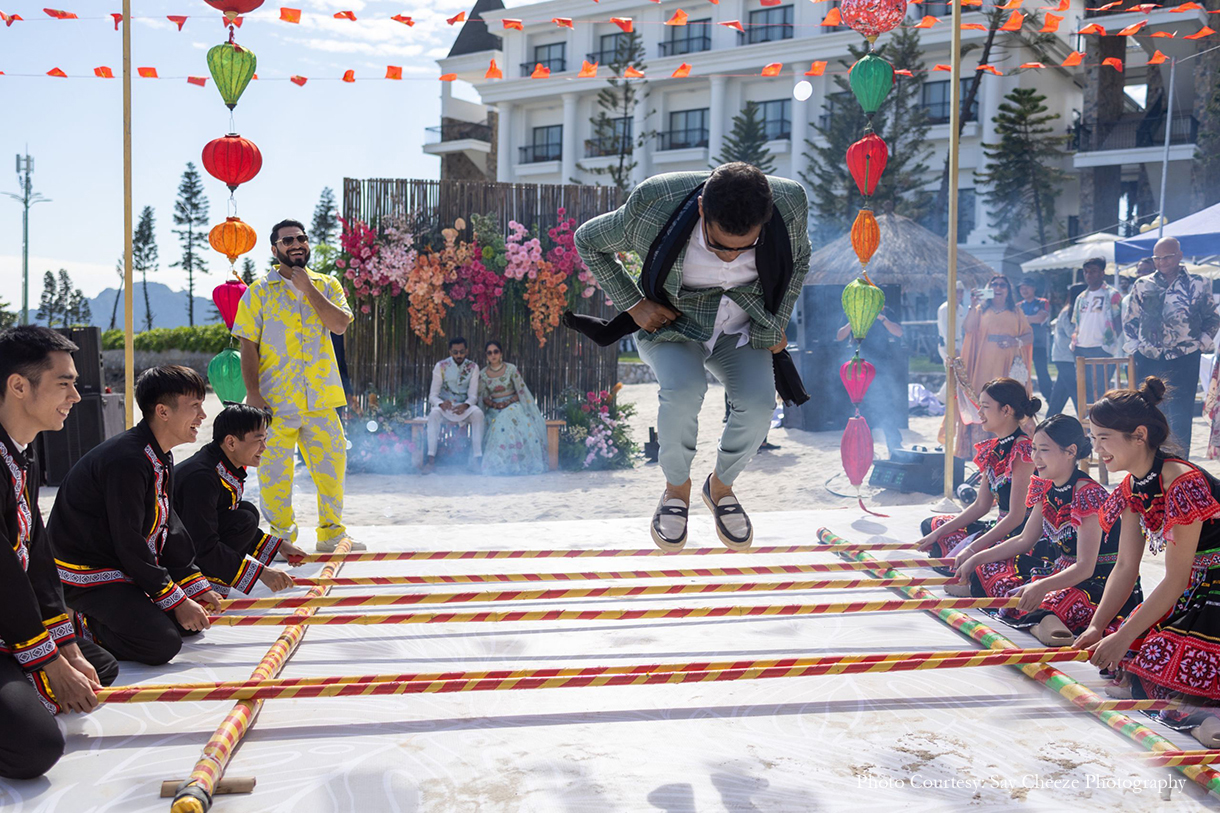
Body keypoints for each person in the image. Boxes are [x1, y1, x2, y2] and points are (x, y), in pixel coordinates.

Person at [574, 163, 810, 551]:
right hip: (670, 323)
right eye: (719, 246)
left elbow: (800, 259)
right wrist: (634, 304)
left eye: (745, 247)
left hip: (740, 325)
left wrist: (776, 320)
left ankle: (720, 487)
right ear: (702, 208)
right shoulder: (656, 201)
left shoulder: (790, 201)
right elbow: (588, 240)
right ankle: (676, 491)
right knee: (684, 391)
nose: (732, 258)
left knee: (759, 403)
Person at [0, 327, 118, 780]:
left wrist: (64, 644)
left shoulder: (19, 455)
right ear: (18, 385)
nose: (76, 395)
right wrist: (45, 659)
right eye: (64, 383)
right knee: (36, 749)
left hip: (8, 617)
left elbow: (36, 555)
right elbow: (1, 572)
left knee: (96, 669)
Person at [1075, 378, 1220, 747]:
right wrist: (1098, 625)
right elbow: (1126, 566)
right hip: (1201, 585)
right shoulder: (1131, 489)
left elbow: (1174, 578)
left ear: (1138, 434)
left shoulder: (1181, 482)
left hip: (1206, 585)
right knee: (1133, 667)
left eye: (1104, 437)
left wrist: (1122, 636)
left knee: (1169, 670)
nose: (1097, 449)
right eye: (1093, 439)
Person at [49, 366, 221, 666]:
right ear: (163, 412)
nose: (203, 416)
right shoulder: (128, 459)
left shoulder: (156, 452)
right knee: (162, 644)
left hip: (119, 560)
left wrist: (191, 584)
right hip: (88, 572)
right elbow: (129, 540)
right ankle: (80, 622)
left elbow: (168, 522)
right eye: (195, 406)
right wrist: (176, 598)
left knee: (189, 624)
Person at [951, 415, 1142, 646]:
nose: (1035, 458)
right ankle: (1039, 615)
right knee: (991, 571)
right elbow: (1024, 540)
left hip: (1098, 582)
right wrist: (975, 557)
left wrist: (1040, 586)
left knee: (1040, 603)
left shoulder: (1087, 494)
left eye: (1043, 450)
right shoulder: (1046, 485)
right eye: (1033, 449)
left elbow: (1085, 567)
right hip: (1059, 572)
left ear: (1070, 451)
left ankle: (1047, 621)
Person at [233, 219, 360, 553]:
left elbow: (340, 324)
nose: (296, 244)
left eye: (301, 238)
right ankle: (281, 539)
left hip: (321, 397)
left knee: (331, 468)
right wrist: (254, 392)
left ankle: (331, 534)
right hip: (276, 399)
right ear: (275, 249)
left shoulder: (328, 285)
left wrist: (308, 289)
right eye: (287, 240)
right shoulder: (258, 291)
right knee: (274, 473)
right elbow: (248, 346)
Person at [174, 404, 308, 597]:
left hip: (192, 543)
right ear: (231, 442)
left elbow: (223, 521)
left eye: (265, 439)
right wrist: (260, 573)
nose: (264, 447)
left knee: (246, 513)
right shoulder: (202, 477)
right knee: (244, 518)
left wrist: (279, 546)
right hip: (172, 559)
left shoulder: (222, 465)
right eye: (259, 440)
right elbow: (202, 543)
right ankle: (202, 587)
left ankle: (214, 580)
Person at [918, 378, 1039, 577]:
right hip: (1000, 527)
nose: (980, 413)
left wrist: (972, 549)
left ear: (1006, 410)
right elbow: (980, 505)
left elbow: (1016, 517)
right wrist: (937, 534)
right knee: (933, 525)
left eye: (985, 407)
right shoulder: (993, 449)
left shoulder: (1023, 450)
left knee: (981, 575)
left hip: (1020, 534)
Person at [1123, 237, 1220, 458]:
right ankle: (1150, 460)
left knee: (1181, 411)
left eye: (1167, 257)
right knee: (1148, 409)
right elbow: (1130, 319)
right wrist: (1136, 346)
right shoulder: (1142, 284)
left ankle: (1179, 462)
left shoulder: (1199, 283)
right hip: (1149, 356)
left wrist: (1201, 343)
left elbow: (1212, 317)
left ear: (1179, 256)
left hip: (1185, 356)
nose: (1162, 262)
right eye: (1157, 258)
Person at [952, 276, 1033, 457]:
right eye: (994, 285)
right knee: (985, 403)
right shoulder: (980, 310)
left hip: (1007, 368)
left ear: (1008, 290)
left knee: (1006, 404)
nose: (998, 288)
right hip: (983, 366)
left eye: (1002, 285)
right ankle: (982, 453)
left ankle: (1008, 450)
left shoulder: (1016, 312)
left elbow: (1029, 336)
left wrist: (1015, 341)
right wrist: (973, 304)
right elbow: (968, 328)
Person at [836, 307, 904, 455]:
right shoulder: (852, 310)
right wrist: (852, 321)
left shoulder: (886, 312)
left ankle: (895, 448)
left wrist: (882, 318)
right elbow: (840, 336)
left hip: (882, 366)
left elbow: (899, 332)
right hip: (860, 367)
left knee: (887, 406)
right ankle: (865, 451)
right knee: (862, 408)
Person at [479, 341, 548, 475]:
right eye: (489, 352)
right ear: (486, 355)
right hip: (495, 408)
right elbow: (484, 397)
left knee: (506, 416)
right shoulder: (483, 374)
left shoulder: (510, 369)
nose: (493, 355)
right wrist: (495, 405)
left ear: (501, 354)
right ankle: (498, 464)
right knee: (496, 419)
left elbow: (521, 392)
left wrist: (508, 402)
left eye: (496, 351)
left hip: (513, 406)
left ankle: (516, 464)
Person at [423, 337, 484, 473]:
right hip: (446, 408)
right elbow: (433, 395)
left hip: (464, 408)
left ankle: (476, 461)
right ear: (450, 352)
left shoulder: (473, 367)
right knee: (433, 414)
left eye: (462, 352)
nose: (459, 355)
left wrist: (466, 405)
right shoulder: (441, 366)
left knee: (478, 413)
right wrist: (441, 403)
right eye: (455, 352)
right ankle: (430, 460)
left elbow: (473, 395)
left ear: (466, 351)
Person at [1071, 257, 1123, 404]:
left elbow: (1119, 323)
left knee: (1101, 391)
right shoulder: (1081, 297)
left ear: (1102, 273)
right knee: (1084, 391)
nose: (1089, 275)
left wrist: (1109, 343)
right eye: (1086, 272)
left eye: (1093, 271)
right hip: (1082, 349)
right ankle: (1087, 425)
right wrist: (1074, 341)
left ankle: (1101, 423)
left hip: (1102, 349)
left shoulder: (1112, 294)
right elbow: (1077, 323)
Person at [1046, 284, 1087, 417]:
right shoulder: (1067, 312)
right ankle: (1085, 423)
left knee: (1060, 395)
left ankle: (1048, 421)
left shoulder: (1074, 310)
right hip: (1064, 357)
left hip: (1067, 357)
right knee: (1076, 392)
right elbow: (1072, 333)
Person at [1018, 276, 1052, 400]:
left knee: (1042, 373)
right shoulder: (1018, 306)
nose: (1024, 290)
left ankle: (1050, 399)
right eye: (1021, 288)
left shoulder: (1042, 302)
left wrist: (1023, 319)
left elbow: (1040, 318)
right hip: (1021, 344)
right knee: (1020, 373)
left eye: (1026, 287)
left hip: (1038, 344)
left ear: (1033, 288)